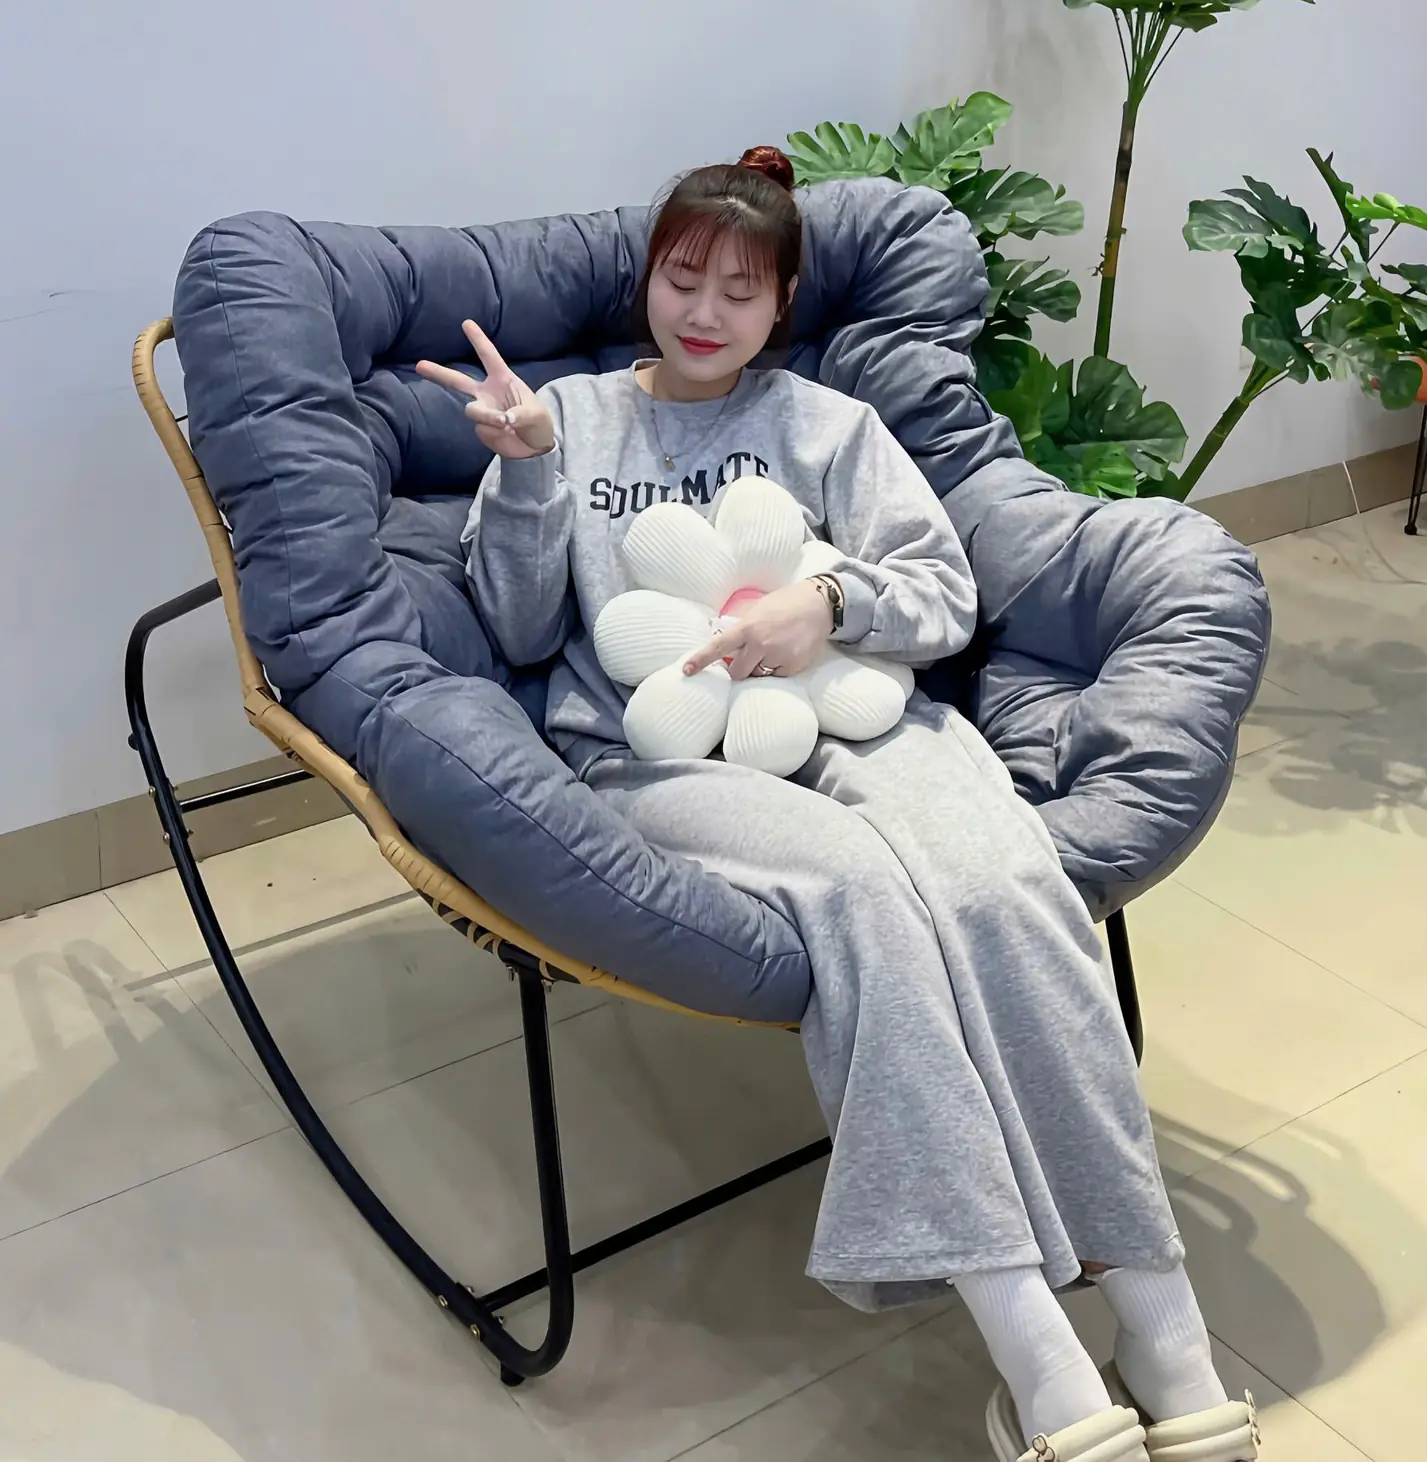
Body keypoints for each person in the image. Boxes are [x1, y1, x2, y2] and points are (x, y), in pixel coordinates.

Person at [418, 146, 1258, 1462]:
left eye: (738, 290)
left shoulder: (828, 426)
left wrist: (829, 602)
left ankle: (1167, 1330)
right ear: (647, 281)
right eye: (681, 278)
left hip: (860, 714)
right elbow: (521, 633)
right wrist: (527, 472)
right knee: (866, 900)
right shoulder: (566, 417)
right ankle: (1039, 1356)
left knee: (1006, 880)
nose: (704, 311)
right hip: (664, 756)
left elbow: (941, 592)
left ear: (783, 302)